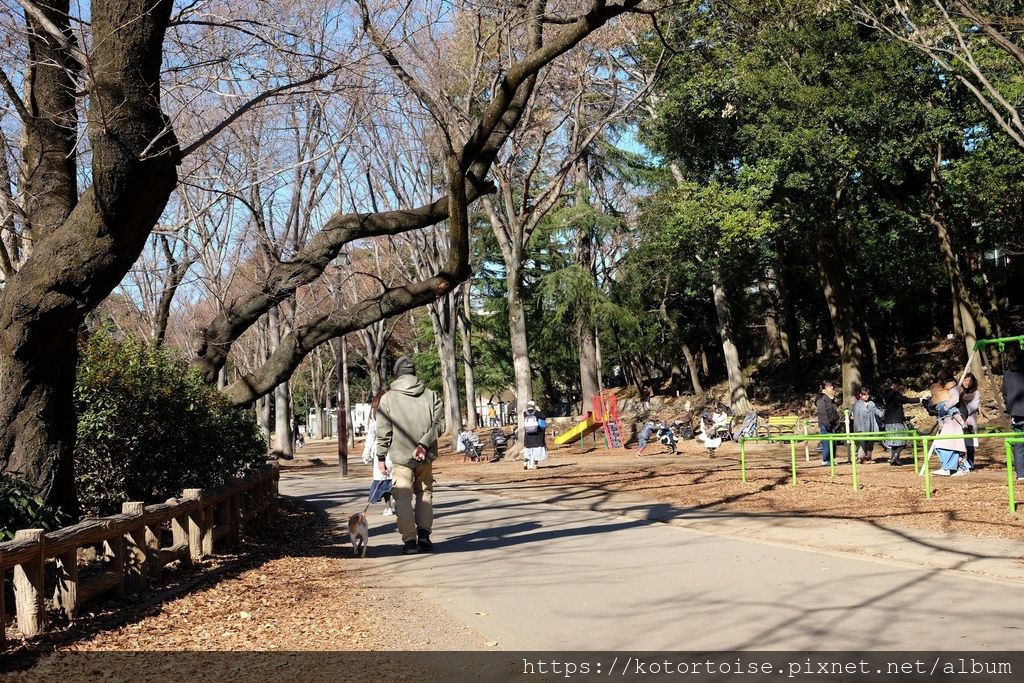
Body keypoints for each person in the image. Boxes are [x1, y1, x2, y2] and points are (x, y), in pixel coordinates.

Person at [375, 356, 444, 554]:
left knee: (403, 497)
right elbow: (439, 424)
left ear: (397, 374)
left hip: (401, 456)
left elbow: (383, 430)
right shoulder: (431, 395)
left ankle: (410, 541)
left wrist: (380, 457)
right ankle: (424, 536)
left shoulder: (388, 398)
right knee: (424, 493)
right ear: (414, 373)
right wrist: (423, 445)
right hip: (426, 455)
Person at [925, 370, 967, 476]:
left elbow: (955, 399)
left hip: (952, 419)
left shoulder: (951, 386)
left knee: (944, 444)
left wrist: (945, 407)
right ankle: (952, 468)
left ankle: (950, 468)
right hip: (946, 419)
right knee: (949, 445)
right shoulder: (938, 388)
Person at [360, 390, 393, 516]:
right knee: (394, 479)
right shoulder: (394, 411)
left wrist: (366, 453)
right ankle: (396, 503)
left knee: (383, 479)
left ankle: (388, 506)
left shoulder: (374, 414)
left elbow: (371, 434)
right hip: (395, 449)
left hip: (380, 451)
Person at [880, 379, 916, 466]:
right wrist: (919, 399)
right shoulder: (895, 394)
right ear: (894, 384)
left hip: (888, 420)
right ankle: (895, 457)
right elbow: (906, 399)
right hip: (896, 419)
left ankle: (895, 460)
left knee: (894, 442)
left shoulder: (885, 394)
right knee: (903, 439)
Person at [1003, 351, 1024, 481]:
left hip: (1016, 412)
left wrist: (1010, 409)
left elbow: (1005, 393)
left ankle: (1021, 473)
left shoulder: (1008, 374)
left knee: (1018, 443)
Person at [851, 386, 881, 464]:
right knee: (862, 443)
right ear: (860, 395)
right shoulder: (857, 405)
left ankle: (869, 457)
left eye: (867, 394)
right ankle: (862, 459)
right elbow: (856, 418)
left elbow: (877, 412)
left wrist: (886, 413)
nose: (866, 396)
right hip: (861, 428)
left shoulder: (871, 404)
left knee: (870, 443)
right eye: (864, 394)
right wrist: (858, 429)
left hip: (870, 427)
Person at [815, 381, 841, 466]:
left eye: (832, 386)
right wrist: (826, 423)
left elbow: (833, 410)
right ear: (824, 388)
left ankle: (831, 458)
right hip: (826, 423)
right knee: (826, 441)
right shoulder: (821, 398)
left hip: (832, 423)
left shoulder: (830, 398)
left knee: (833, 442)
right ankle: (826, 459)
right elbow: (822, 412)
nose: (832, 388)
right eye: (829, 386)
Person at [958, 372, 981, 468]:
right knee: (959, 443)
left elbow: (973, 406)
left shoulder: (976, 393)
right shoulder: (958, 392)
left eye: (969, 381)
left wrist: (963, 412)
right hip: (958, 419)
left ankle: (970, 463)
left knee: (969, 444)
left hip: (969, 419)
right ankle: (960, 463)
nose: (967, 382)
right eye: (965, 380)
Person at [521, 399, 548, 470]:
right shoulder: (536, 413)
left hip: (528, 434)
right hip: (536, 434)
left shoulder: (524, 413)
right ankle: (535, 464)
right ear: (534, 406)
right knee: (537, 449)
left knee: (528, 449)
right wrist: (539, 410)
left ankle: (525, 462)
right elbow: (544, 417)